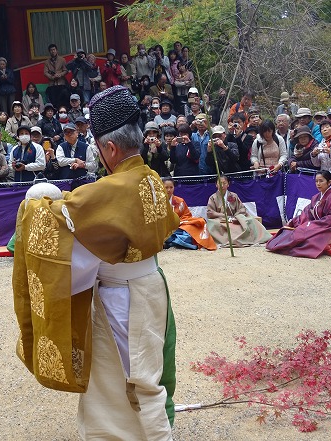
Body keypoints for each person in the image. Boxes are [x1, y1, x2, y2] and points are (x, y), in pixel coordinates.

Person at [12, 85, 178, 440]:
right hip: (149, 286)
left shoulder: (111, 189)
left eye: (99, 148)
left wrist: (36, 201)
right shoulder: (148, 177)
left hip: (123, 299)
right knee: (135, 375)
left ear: (110, 148)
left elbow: (57, 216)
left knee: (136, 382)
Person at [266, 170, 331, 258]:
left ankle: (287, 248)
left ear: (329, 182)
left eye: (321, 181)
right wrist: (295, 221)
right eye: (316, 181)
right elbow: (307, 213)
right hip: (318, 226)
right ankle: (278, 246)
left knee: (309, 240)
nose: (318, 184)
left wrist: (312, 225)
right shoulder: (316, 197)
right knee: (297, 232)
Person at [206, 175, 272, 247]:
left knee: (251, 220)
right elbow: (210, 212)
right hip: (221, 220)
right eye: (219, 183)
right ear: (216, 185)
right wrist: (222, 215)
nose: (222, 185)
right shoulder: (213, 197)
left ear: (228, 184)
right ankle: (227, 240)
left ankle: (250, 238)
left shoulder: (233, 196)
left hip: (235, 219)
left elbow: (242, 208)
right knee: (213, 224)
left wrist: (236, 216)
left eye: (224, 183)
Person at [163, 177, 216, 250]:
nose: (169, 190)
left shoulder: (180, 201)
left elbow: (187, 215)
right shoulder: (158, 202)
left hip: (180, 226)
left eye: (171, 187)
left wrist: (179, 222)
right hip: (164, 228)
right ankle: (174, 241)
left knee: (196, 226)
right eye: (166, 187)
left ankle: (172, 242)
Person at [56, 122, 96, 189]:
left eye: (71, 132)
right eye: (66, 132)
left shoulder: (86, 147)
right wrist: (75, 160)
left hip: (82, 182)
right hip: (65, 182)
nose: (69, 134)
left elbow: (93, 165)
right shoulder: (60, 146)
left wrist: (83, 165)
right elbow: (60, 162)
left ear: (77, 133)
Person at [44, 44, 69, 108]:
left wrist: (60, 74)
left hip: (61, 83)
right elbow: (45, 72)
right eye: (51, 50)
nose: (53, 51)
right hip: (52, 85)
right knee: (53, 101)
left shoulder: (62, 60)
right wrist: (52, 77)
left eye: (54, 50)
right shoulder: (47, 62)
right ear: (49, 51)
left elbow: (66, 70)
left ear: (56, 50)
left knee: (62, 100)